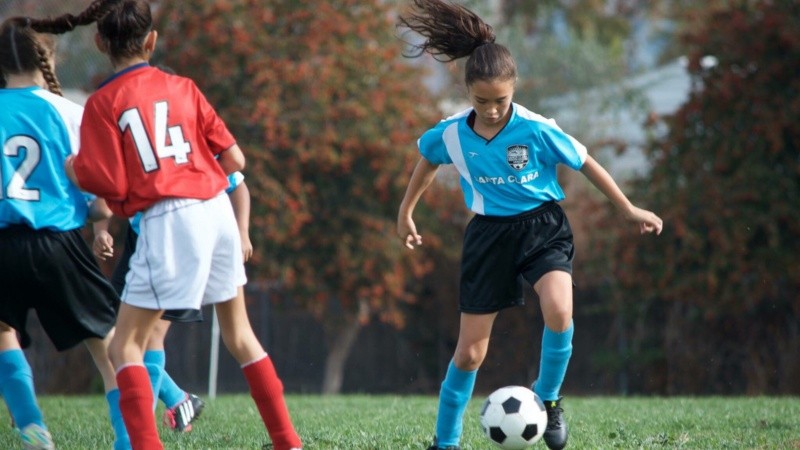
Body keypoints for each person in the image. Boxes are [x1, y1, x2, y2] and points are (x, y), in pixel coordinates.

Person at [395, 1, 664, 450]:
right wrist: (406, 210)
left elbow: (585, 162)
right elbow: (426, 163)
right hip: (488, 236)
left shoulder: (537, 128)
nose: (494, 109)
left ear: (514, 90)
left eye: (501, 100)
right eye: (483, 101)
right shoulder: (450, 133)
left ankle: (549, 400)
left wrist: (627, 207)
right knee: (470, 352)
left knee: (560, 311)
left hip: (543, 229)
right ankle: (445, 442)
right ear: (468, 93)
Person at [65, 1, 301, 449]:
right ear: (151, 41)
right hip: (216, 208)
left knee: (124, 348)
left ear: (99, 44)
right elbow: (235, 160)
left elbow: (107, 180)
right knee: (240, 335)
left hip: (169, 218)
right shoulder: (183, 87)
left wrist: (75, 170)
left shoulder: (102, 102)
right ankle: (289, 442)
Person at [0, 4, 134, 450]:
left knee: (3, 334)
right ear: (45, 61)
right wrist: (100, 221)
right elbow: (96, 193)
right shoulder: (69, 112)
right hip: (59, 244)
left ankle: (31, 425)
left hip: (3, 245)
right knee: (108, 344)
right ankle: (127, 439)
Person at [92, 169, 253, 432]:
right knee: (111, 334)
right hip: (139, 240)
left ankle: (140, 434)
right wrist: (101, 230)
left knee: (152, 334)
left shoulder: (191, 137)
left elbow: (237, 180)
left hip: (179, 240)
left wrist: (242, 232)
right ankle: (178, 400)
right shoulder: (128, 133)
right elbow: (105, 182)